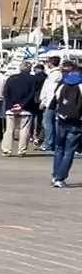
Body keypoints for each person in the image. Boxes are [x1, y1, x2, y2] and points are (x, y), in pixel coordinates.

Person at [49, 58, 82, 189]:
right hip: (77, 121)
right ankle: (60, 178)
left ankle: (55, 175)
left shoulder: (63, 83)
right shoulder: (80, 85)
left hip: (61, 119)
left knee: (59, 149)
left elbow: (54, 100)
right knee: (69, 150)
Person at [1, 61, 39, 156]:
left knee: (9, 130)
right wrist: (22, 105)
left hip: (11, 109)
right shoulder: (33, 79)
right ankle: (21, 150)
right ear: (30, 69)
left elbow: (5, 93)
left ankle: (7, 150)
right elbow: (32, 94)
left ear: (20, 68)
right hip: (26, 108)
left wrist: (11, 105)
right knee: (24, 130)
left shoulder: (11, 78)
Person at [38, 55, 62, 151]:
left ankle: (49, 143)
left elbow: (49, 90)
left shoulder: (52, 75)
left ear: (50, 63)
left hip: (51, 102)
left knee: (47, 123)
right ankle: (54, 143)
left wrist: (43, 101)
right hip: (57, 102)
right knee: (54, 123)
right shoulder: (59, 74)